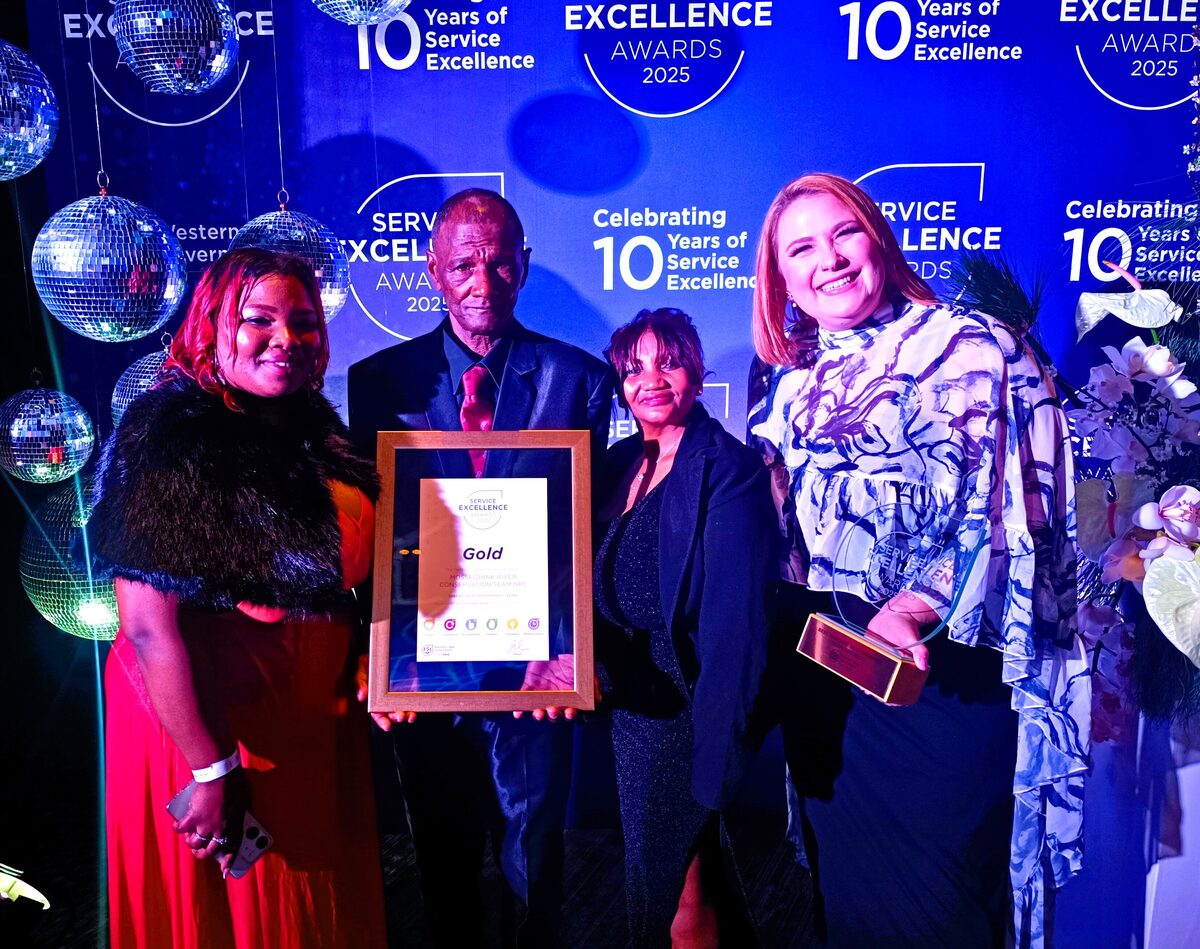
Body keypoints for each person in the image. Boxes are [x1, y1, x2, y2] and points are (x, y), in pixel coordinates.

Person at [747, 173, 1090, 947]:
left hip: (942, 678)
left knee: (946, 907)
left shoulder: (972, 341)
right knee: (850, 912)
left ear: (879, 239)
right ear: (781, 281)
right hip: (832, 682)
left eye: (844, 234)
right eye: (801, 248)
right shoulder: (788, 381)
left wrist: (915, 605)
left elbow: (1005, 506)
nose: (828, 259)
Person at [92, 249, 386, 948]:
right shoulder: (167, 431)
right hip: (209, 730)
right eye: (258, 320)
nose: (286, 339)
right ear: (212, 323)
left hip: (305, 718)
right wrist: (210, 767)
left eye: (305, 323)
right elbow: (146, 627)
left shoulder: (314, 427)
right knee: (239, 918)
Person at [347, 188, 614, 947]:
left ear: (524, 267)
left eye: (500, 263)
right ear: (434, 269)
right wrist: (378, 655)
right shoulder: (378, 384)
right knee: (443, 865)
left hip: (533, 670)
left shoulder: (579, 380)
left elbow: (580, 533)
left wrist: (566, 650)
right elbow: (377, 527)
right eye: (464, 263)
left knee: (535, 867)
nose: (482, 281)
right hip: (424, 671)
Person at [594, 308, 774, 948]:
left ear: (695, 371)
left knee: (673, 885)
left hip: (681, 707)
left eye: (667, 362)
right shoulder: (616, 463)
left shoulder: (728, 471)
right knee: (683, 869)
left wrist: (716, 757)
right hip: (623, 701)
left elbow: (737, 629)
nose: (652, 380)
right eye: (634, 368)